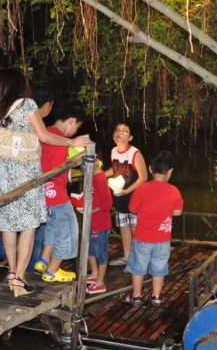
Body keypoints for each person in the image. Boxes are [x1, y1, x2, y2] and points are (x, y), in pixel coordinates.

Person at [0, 69, 92, 295]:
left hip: (4, 176)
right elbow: (44, 136)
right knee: (29, 227)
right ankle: (20, 277)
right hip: (28, 175)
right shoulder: (29, 106)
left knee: (8, 227)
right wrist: (71, 142)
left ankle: (11, 271)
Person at [34, 101, 88, 282]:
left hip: (43, 193)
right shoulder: (59, 140)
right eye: (77, 128)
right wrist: (80, 157)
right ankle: (53, 270)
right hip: (55, 192)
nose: (74, 133)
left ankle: (44, 260)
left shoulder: (47, 132)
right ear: (72, 121)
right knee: (69, 230)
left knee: (53, 227)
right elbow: (58, 168)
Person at [120, 151, 183, 307]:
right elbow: (177, 212)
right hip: (163, 239)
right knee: (159, 267)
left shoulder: (141, 189)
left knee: (138, 267)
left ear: (150, 169)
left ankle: (136, 296)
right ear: (170, 171)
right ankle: (156, 296)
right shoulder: (174, 191)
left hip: (142, 237)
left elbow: (133, 209)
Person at [104, 123, 147, 267]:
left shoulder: (135, 153)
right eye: (117, 130)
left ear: (130, 137)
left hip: (134, 197)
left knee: (137, 229)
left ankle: (139, 259)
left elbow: (144, 177)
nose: (119, 133)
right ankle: (127, 256)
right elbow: (116, 168)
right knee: (123, 226)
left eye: (124, 131)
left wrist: (128, 191)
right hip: (119, 196)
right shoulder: (113, 151)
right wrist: (101, 175)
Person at [85, 147, 113, 294]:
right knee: (90, 250)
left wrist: (91, 211)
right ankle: (94, 274)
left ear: (98, 161)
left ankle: (100, 282)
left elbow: (107, 203)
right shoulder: (91, 176)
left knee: (101, 254)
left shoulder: (100, 177)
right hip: (91, 221)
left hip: (100, 223)